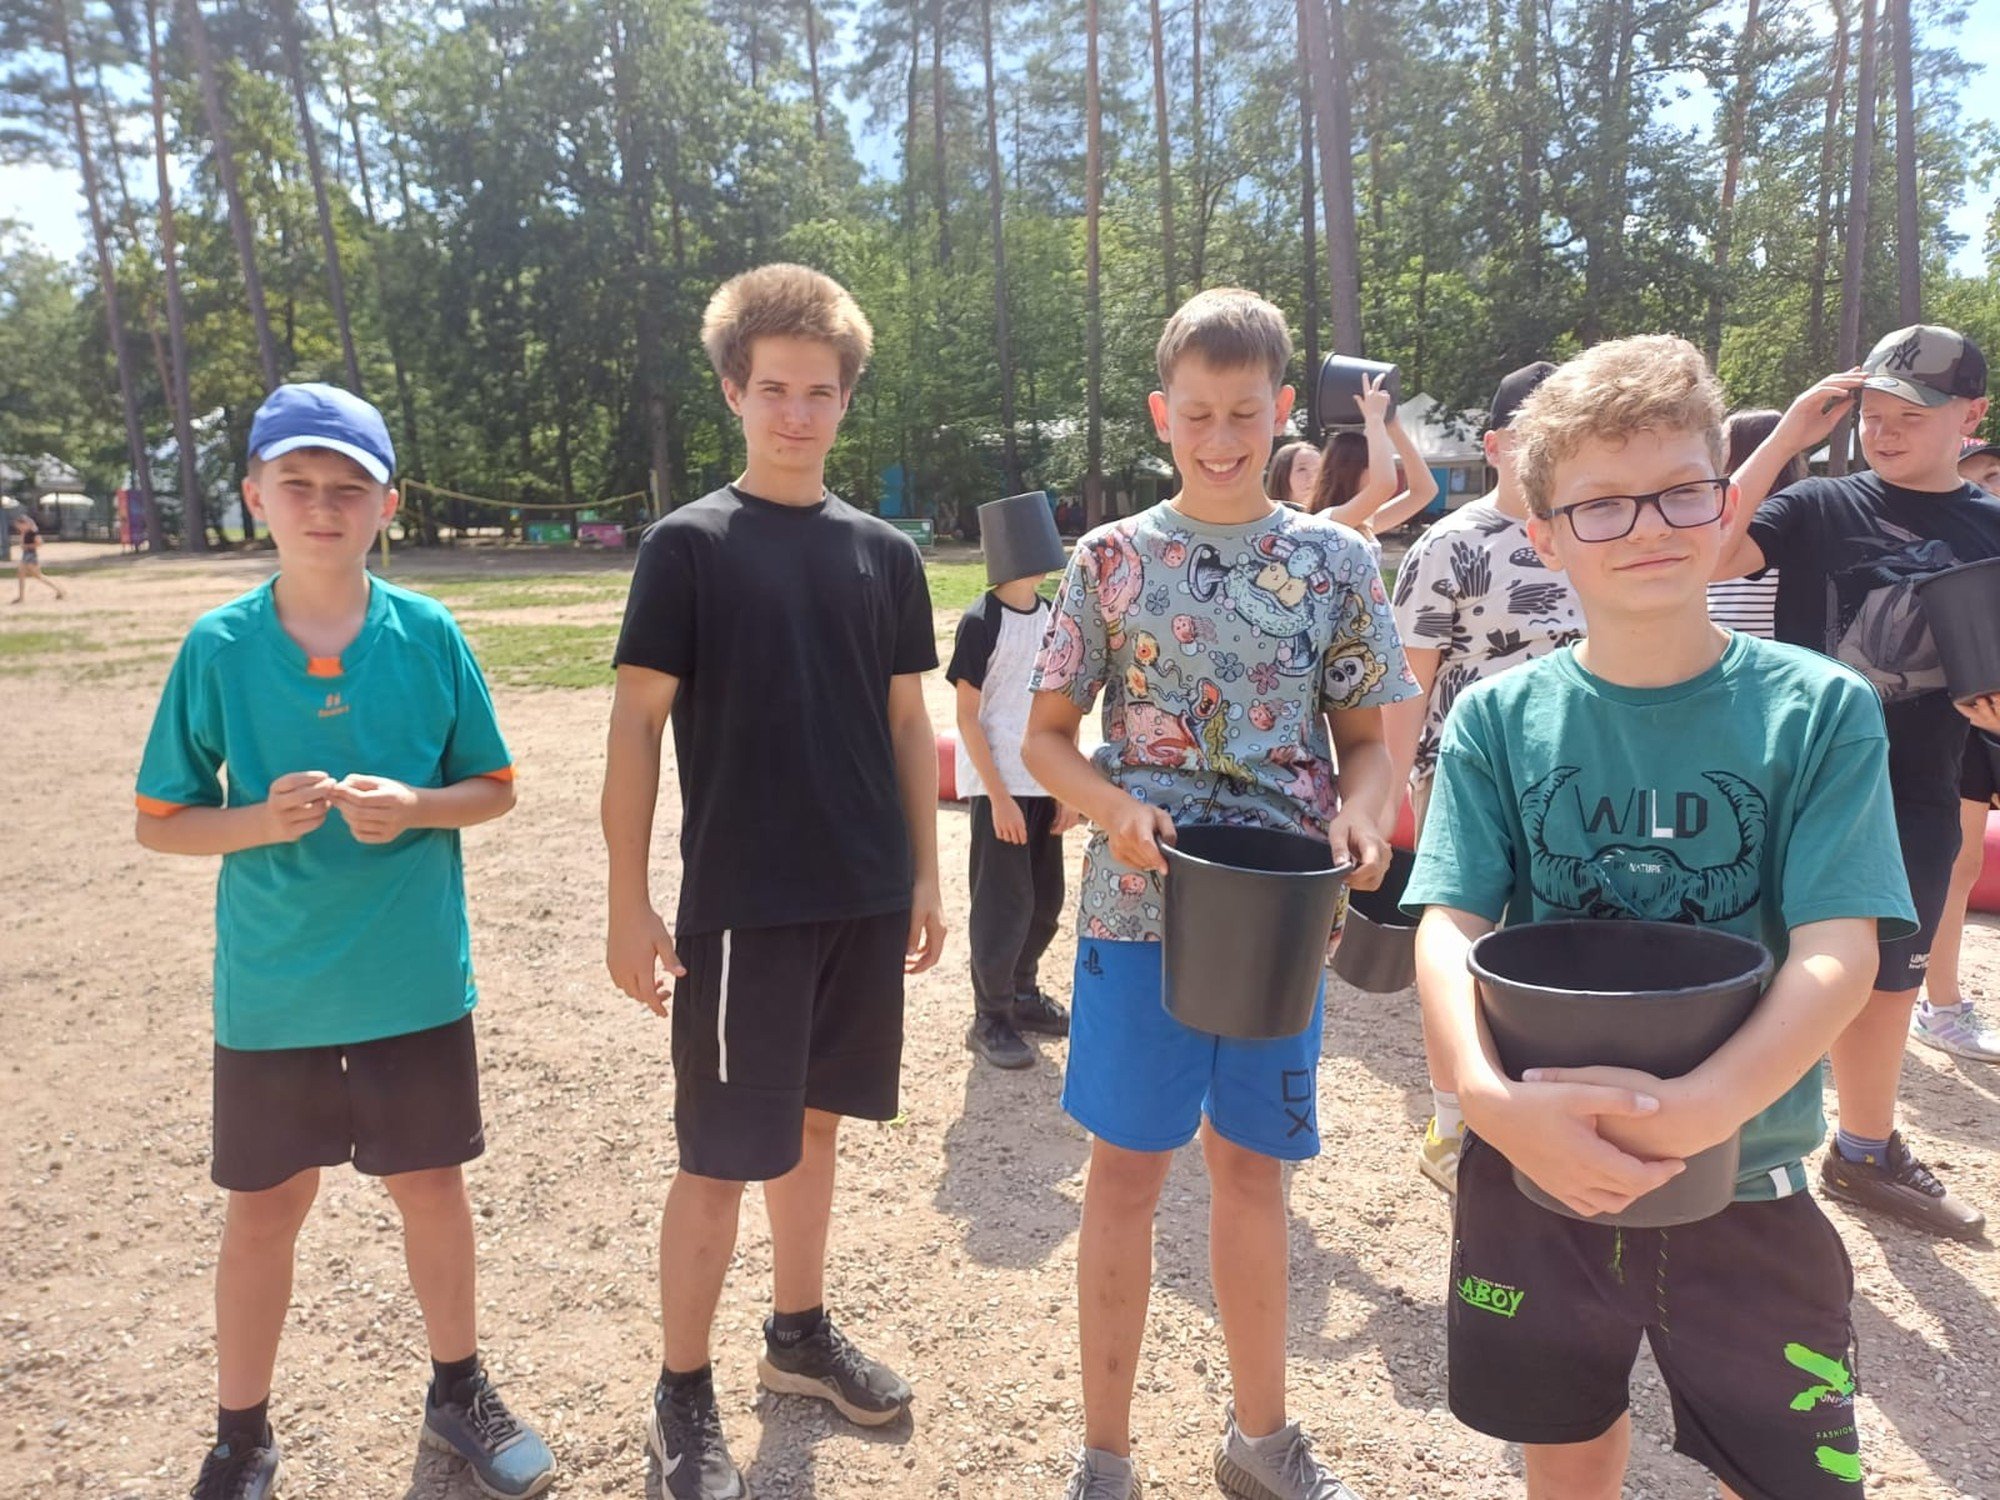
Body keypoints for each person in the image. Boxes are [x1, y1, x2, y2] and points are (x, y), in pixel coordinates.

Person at [1408, 334, 1916, 1500]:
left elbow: (1837, 951)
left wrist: (1700, 1109)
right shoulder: (1494, 718)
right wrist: (1484, 1100)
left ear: (1725, 500)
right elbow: (1447, 927)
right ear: (1542, 535)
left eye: (1679, 490)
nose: (1645, 527)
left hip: (1745, 1174)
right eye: (1599, 505)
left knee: (1790, 1474)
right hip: (1536, 1165)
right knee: (1562, 1439)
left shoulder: (1818, 710)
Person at [1023, 287, 1416, 1500]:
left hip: (1281, 921)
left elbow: (1371, 740)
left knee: (1252, 1171)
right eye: (1196, 414)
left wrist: (1362, 812)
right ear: (1161, 415)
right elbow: (1043, 739)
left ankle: (1259, 1441)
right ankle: (1104, 1454)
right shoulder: (1107, 559)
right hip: (1139, 915)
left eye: (1243, 413)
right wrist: (1111, 808)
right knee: (1124, 1175)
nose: (1220, 437)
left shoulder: (1333, 561)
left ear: (1281, 408)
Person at [133, 382, 553, 1500]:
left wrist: (415, 807)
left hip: (411, 982)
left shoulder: (428, 633)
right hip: (275, 991)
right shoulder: (220, 647)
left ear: (387, 506)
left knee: (431, 1186)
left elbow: (493, 788)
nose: (323, 506)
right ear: (254, 496)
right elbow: (160, 821)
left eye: (349, 488)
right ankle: (240, 1435)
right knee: (266, 1207)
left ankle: (458, 1389)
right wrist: (255, 822)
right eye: (299, 484)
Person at [602, 264, 945, 1500]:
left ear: (847, 397)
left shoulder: (883, 554)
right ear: (733, 394)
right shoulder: (688, 547)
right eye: (773, 390)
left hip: (861, 891)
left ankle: (797, 1335)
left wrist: (923, 873)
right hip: (744, 903)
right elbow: (636, 725)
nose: (796, 413)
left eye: (819, 392)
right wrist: (627, 899)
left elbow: (907, 723)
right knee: (717, 1153)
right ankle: (680, 1389)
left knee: (814, 1125)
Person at [1716, 323, 2000, 1240]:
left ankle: (1865, 1152)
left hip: (1919, 788)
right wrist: (1785, 438)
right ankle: (1725, 1147)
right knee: (1758, 963)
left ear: (1970, 416)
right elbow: (1706, 555)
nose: (1884, 430)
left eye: (1910, 414)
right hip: (1793, 778)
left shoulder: (1992, 527)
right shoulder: (1818, 504)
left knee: (1888, 981)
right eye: (1873, 412)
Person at [1383, 360, 1582, 1193]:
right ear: (1495, 446)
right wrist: (1386, 798)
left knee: (1554, 953)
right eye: (1532, 437)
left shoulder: (1591, 531)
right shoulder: (1451, 545)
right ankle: (1454, 1122)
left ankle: (1546, 1107)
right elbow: (1407, 683)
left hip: (1580, 784)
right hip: (1467, 782)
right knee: (1462, 951)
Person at [948, 556, 1076, 1069]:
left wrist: (1067, 789)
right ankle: (991, 1017)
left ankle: (1023, 995)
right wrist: (998, 796)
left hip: (1042, 779)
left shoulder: (1052, 616)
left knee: (1045, 899)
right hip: (997, 786)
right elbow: (967, 716)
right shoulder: (980, 621)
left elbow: (1059, 705)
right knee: (1004, 904)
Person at [1912, 436, 2000, 1064]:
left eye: (1994, 474)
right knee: (1958, 862)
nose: (1987, 488)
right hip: (1954, 717)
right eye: (1977, 478)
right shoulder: (1930, 539)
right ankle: (1940, 1005)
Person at [1305, 372, 1439, 557]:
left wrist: (1393, 428)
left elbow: (1424, 491)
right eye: (1372, 463)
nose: (1381, 467)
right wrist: (1375, 419)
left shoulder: (1363, 522)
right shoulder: (1330, 520)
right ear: (1349, 471)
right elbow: (1385, 484)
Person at [1703, 409, 1805, 639]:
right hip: (1727, 639)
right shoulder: (1798, 510)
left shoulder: (1783, 515)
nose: (1717, 448)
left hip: (1751, 642)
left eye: (1724, 440)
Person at [12, 511, 67, 602]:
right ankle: (21, 597)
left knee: (35, 575)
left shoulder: (33, 532)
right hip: (26, 555)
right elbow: (22, 545)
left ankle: (59, 590)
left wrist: (27, 546)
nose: (18, 528)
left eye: (19, 526)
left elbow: (40, 543)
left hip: (31, 556)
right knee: (26, 574)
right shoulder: (26, 532)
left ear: (24, 523)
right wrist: (22, 535)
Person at [1266, 438, 1323, 509]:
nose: (1313, 477)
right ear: (1281, 475)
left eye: (1318, 469)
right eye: (1302, 469)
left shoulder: (1330, 514)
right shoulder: (1265, 513)